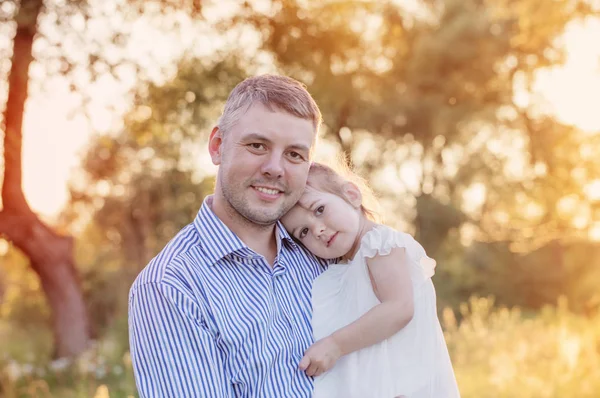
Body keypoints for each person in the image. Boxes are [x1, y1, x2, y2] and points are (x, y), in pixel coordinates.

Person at [128, 75, 329, 397]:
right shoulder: (170, 287)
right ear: (217, 146)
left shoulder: (323, 250)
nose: (275, 168)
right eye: (257, 146)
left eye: (294, 154)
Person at [281, 160, 461, 398]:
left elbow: (399, 308)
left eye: (319, 210)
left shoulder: (379, 243)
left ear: (352, 195)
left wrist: (334, 345)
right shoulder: (347, 264)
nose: (317, 230)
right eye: (303, 231)